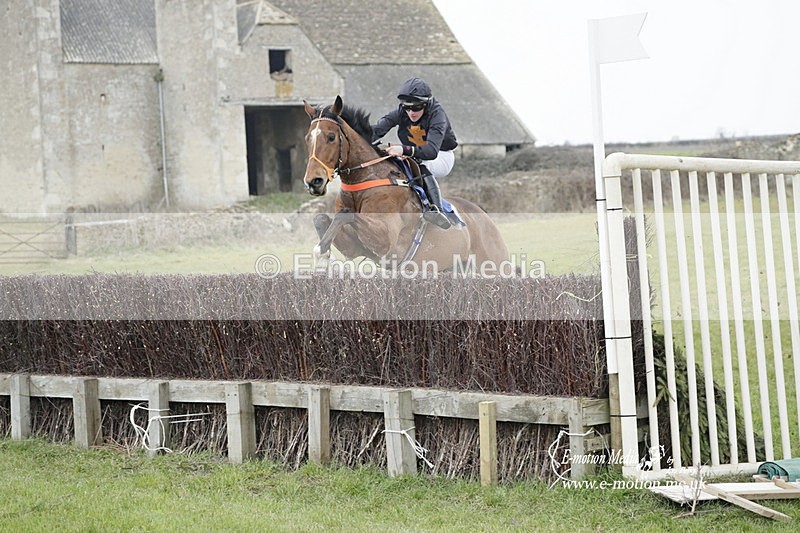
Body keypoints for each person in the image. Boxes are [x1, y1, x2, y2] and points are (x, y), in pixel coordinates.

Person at [372, 77, 458, 229]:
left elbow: (431, 151)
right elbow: (377, 130)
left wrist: (404, 149)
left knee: (421, 162)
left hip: (441, 156)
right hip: (414, 154)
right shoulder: (402, 112)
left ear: (426, 104)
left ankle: (436, 210)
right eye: (407, 108)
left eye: (416, 108)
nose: (411, 113)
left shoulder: (437, 115)